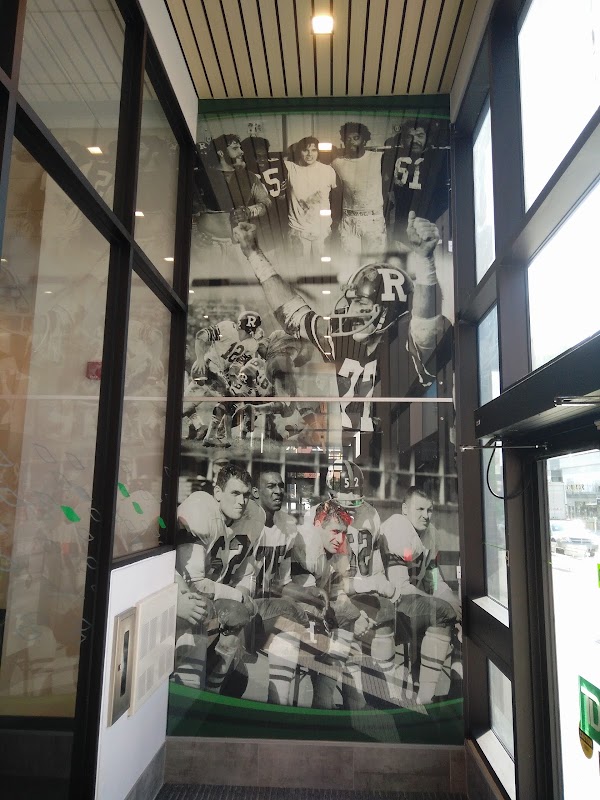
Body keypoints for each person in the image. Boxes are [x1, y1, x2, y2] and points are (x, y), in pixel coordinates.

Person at [232, 213, 451, 459]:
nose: (351, 311)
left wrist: (424, 260)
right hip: (350, 454)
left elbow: (426, 323)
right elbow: (292, 313)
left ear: (389, 311)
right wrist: (253, 253)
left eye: (361, 303)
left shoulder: (409, 342)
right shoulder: (341, 335)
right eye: (352, 301)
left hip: (402, 461)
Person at [173, 464, 265, 693]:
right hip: (181, 602)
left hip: (211, 603)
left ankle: (213, 688)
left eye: (245, 495)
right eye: (235, 493)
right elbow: (194, 584)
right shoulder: (201, 509)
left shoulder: (253, 517)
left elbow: (247, 572)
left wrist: (243, 595)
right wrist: (237, 597)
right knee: (187, 682)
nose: (241, 501)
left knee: (235, 680)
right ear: (217, 493)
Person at [381, 487, 460, 706]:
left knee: (461, 614)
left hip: (414, 604)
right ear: (405, 509)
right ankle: (425, 696)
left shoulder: (430, 534)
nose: (426, 515)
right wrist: (442, 604)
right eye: (420, 509)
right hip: (389, 605)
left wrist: (453, 601)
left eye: (429, 510)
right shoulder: (397, 527)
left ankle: (456, 692)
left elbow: (434, 581)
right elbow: (400, 587)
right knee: (441, 611)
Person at [191, 133, 271, 277]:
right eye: (235, 148)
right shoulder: (199, 177)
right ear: (220, 153)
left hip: (239, 247)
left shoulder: (250, 177)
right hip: (207, 247)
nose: (241, 152)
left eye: (240, 148)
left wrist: (249, 211)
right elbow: (185, 212)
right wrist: (194, 234)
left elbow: (266, 203)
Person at [331, 122, 386, 263]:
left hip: (373, 219)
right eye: (348, 139)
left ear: (364, 140)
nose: (351, 142)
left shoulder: (379, 158)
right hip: (349, 220)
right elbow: (335, 192)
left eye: (356, 138)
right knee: (351, 265)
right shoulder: (337, 163)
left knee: (374, 265)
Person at [284, 136, 337, 263]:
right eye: (305, 150)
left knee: (323, 268)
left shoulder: (328, 170)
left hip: (322, 229)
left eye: (313, 150)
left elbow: (337, 196)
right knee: (299, 269)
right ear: (299, 152)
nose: (309, 154)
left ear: (318, 152)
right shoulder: (289, 168)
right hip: (297, 229)